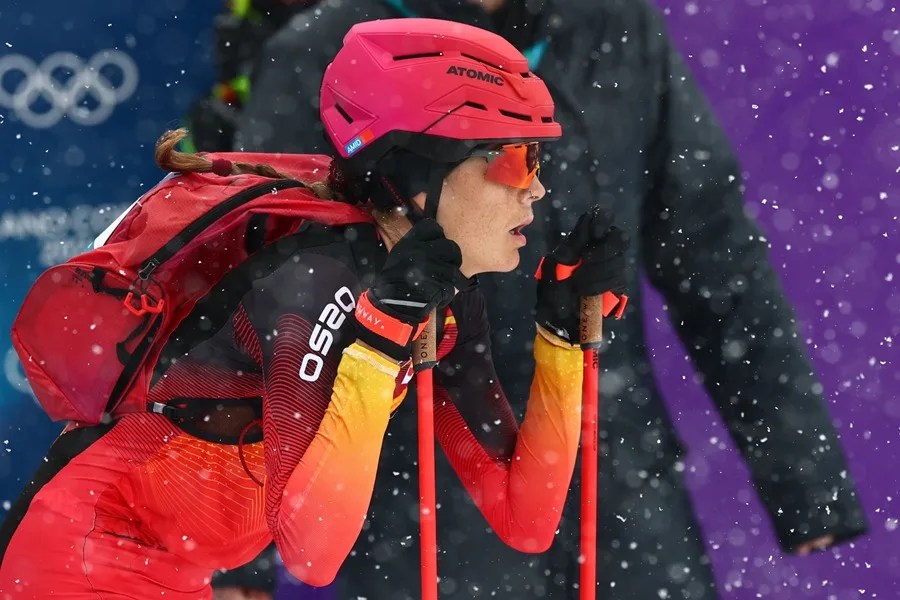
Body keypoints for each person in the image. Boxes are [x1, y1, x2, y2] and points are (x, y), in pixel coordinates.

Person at [228, 0, 869, 598]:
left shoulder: (618, 27)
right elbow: (259, 285)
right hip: (419, 484)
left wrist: (802, 476)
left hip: (616, 478)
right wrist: (239, 556)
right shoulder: (330, 49)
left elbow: (715, 253)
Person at [0, 17, 629, 599]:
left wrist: (560, 339)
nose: (539, 187)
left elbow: (526, 520)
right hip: (82, 559)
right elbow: (313, 555)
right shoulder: (314, 281)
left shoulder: (441, 296)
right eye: (517, 159)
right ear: (419, 177)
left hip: (173, 568)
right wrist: (379, 340)